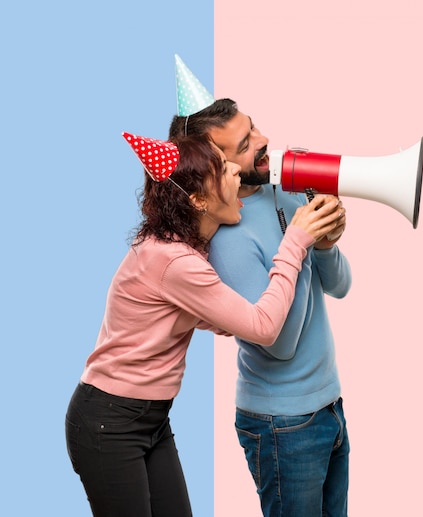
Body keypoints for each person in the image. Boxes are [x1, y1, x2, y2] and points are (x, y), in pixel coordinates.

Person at [65, 131, 344, 517]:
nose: (234, 169)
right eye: (222, 168)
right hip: (110, 422)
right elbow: (264, 328)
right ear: (197, 199)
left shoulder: (181, 248)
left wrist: (227, 316)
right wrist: (295, 241)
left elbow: (178, 314)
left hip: (151, 418)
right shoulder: (175, 261)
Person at [169, 99, 352, 517]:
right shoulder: (227, 236)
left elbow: (341, 286)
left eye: (254, 129)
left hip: (329, 405)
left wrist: (326, 243)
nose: (265, 142)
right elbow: (280, 342)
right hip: (282, 424)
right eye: (245, 144)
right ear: (217, 165)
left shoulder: (283, 192)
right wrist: (301, 242)